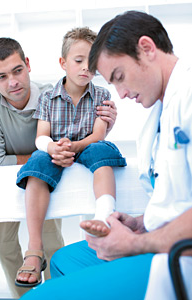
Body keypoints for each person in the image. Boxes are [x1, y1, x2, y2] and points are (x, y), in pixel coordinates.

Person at [19, 10, 192, 300]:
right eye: (113, 83)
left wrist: (137, 243)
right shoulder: (159, 109)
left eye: (120, 76)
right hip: (157, 236)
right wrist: (139, 223)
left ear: (147, 48)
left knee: (34, 298)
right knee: (63, 261)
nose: (121, 94)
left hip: (176, 258)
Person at [0, 37, 117, 297]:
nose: (13, 82)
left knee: (51, 237)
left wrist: (103, 125)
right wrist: (45, 153)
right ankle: (25, 296)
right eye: (1, 76)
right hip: (9, 179)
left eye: (17, 71)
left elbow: (74, 140)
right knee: (4, 244)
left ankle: (56, 293)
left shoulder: (51, 95)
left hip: (45, 180)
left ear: (27, 65)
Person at [15, 27, 126, 287]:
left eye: (92, 62)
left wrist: (74, 147)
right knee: (38, 162)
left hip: (86, 145)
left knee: (101, 151)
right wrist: (53, 148)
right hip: (57, 149)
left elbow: (98, 135)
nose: (86, 68)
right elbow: (41, 136)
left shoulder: (101, 95)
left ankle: (104, 216)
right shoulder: (47, 97)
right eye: (78, 61)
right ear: (63, 63)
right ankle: (34, 248)